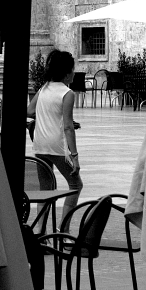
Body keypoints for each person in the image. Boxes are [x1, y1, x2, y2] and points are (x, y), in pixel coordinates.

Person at [31, 49, 84, 223]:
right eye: (73, 69)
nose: (74, 72)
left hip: (40, 145)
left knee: (45, 190)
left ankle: (40, 230)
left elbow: (30, 111)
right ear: (67, 72)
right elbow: (68, 127)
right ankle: (64, 229)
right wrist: (74, 156)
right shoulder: (67, 93)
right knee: (75, 185)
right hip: (57, 147)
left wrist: (46, 117)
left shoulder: (44, 88)